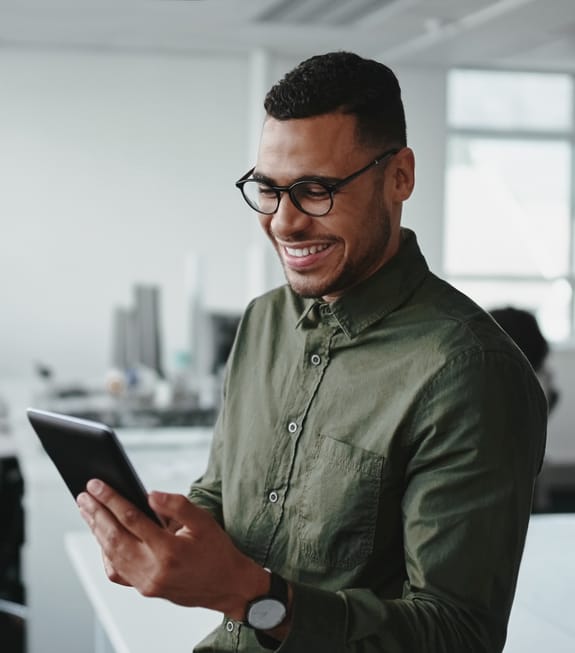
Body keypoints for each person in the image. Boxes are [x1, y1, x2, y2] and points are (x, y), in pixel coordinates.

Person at [76, 51, 547, 652]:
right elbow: (226, 492)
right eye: (268, 190)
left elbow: (459, 635)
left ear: (399, 176)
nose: (284, 222)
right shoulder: (263, 320)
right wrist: (167, 534)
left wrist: (252, 598)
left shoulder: (469, 371)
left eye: (316, 190)